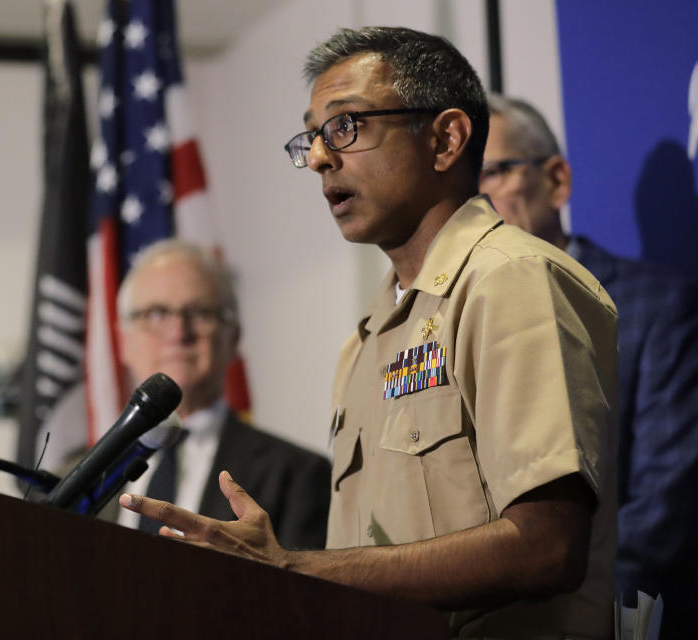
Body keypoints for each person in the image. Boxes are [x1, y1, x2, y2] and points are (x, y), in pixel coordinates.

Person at [120, 26, 621, 638]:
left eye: (346, 125)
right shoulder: (366, 339)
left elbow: (547, 547)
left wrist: (291, 568)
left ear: (445, 139)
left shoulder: (510, 280)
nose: (321, 157)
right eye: (313, 136)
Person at [482, 94, 698, 638]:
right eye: (465, 185)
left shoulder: (657, 306)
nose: (477, 201)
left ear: (556, 180)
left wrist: (575, 617)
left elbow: (663, 502)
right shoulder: (469, 330)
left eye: (494, 173)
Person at [112, 239, 331, 550]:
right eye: (157, 313)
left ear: (235, 336)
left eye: (199, 313)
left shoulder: (297, 475)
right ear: (122, 340)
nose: (178, 333)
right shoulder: (79, 475)